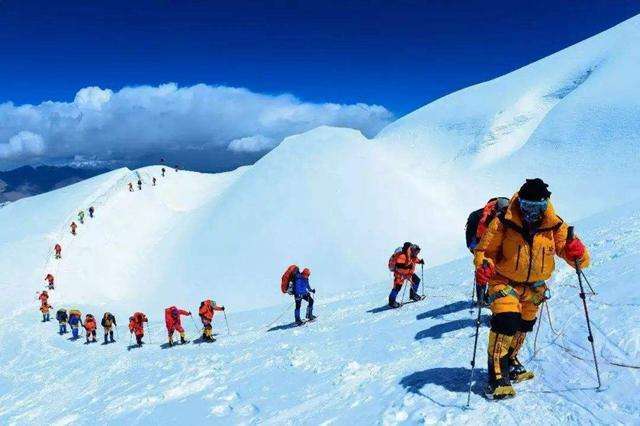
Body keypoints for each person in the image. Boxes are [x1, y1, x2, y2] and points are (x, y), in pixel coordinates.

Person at [474, 178, 590, 400]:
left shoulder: (554, 225)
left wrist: (577, 252)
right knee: (506, 321)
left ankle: (510, 359)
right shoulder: (503, 221)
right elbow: (485, 251)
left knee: (525, 324)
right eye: (527, 206)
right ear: (520, 202)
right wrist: (484, 266)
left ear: (546, 204)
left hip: (535, 287)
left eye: (537, 207)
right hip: (503, 280)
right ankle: (497, 375)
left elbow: (578, 259)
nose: (531, 212)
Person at [388, 242, 424, 308]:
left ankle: (413, 295)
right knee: (397, 287)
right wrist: (407, 268)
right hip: (400, 275)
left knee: (416, 280)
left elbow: (415, 259)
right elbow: (398, 267)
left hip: (408, 273)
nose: (417, 253)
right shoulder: (403, 256)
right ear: (412, 250)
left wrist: (420, 261)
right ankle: (392, 302)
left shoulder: (412, 255)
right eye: (416, 251)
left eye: (418, 252)